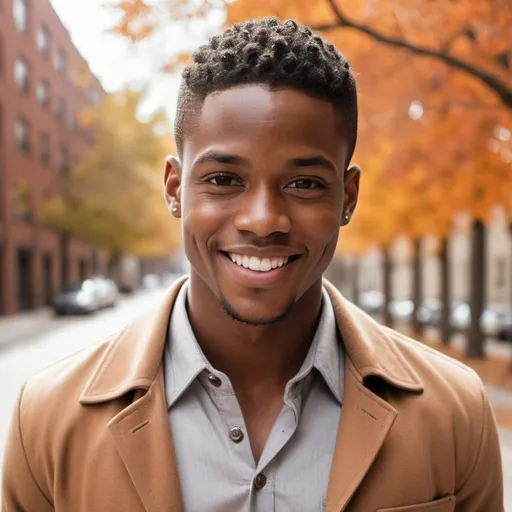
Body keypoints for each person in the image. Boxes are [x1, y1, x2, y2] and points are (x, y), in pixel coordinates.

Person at [2, 17, 503, 512]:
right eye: (223, 179)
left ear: (347, 197)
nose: (264, 221)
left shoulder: (455, 414)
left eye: (304, 183)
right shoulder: (46, 421)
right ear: (175, 188)